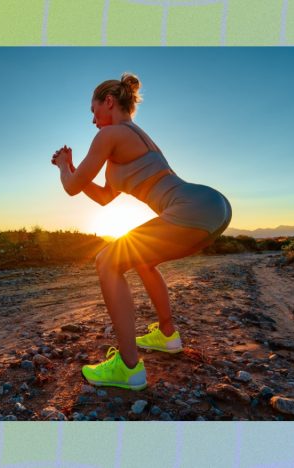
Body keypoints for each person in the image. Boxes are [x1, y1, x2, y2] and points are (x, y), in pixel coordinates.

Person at [51, 72, 232, 390]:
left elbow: (71, 187)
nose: (93, 121)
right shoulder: (129, 137)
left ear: (109, 102)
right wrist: (75, 167)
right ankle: (167, 335)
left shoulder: (112, 135)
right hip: (211, 206)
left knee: (107, 260)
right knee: (142, 259)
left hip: (192, 207)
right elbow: (105, 197)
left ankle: (129, 367)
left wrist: (64, 165)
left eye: (94, 112)